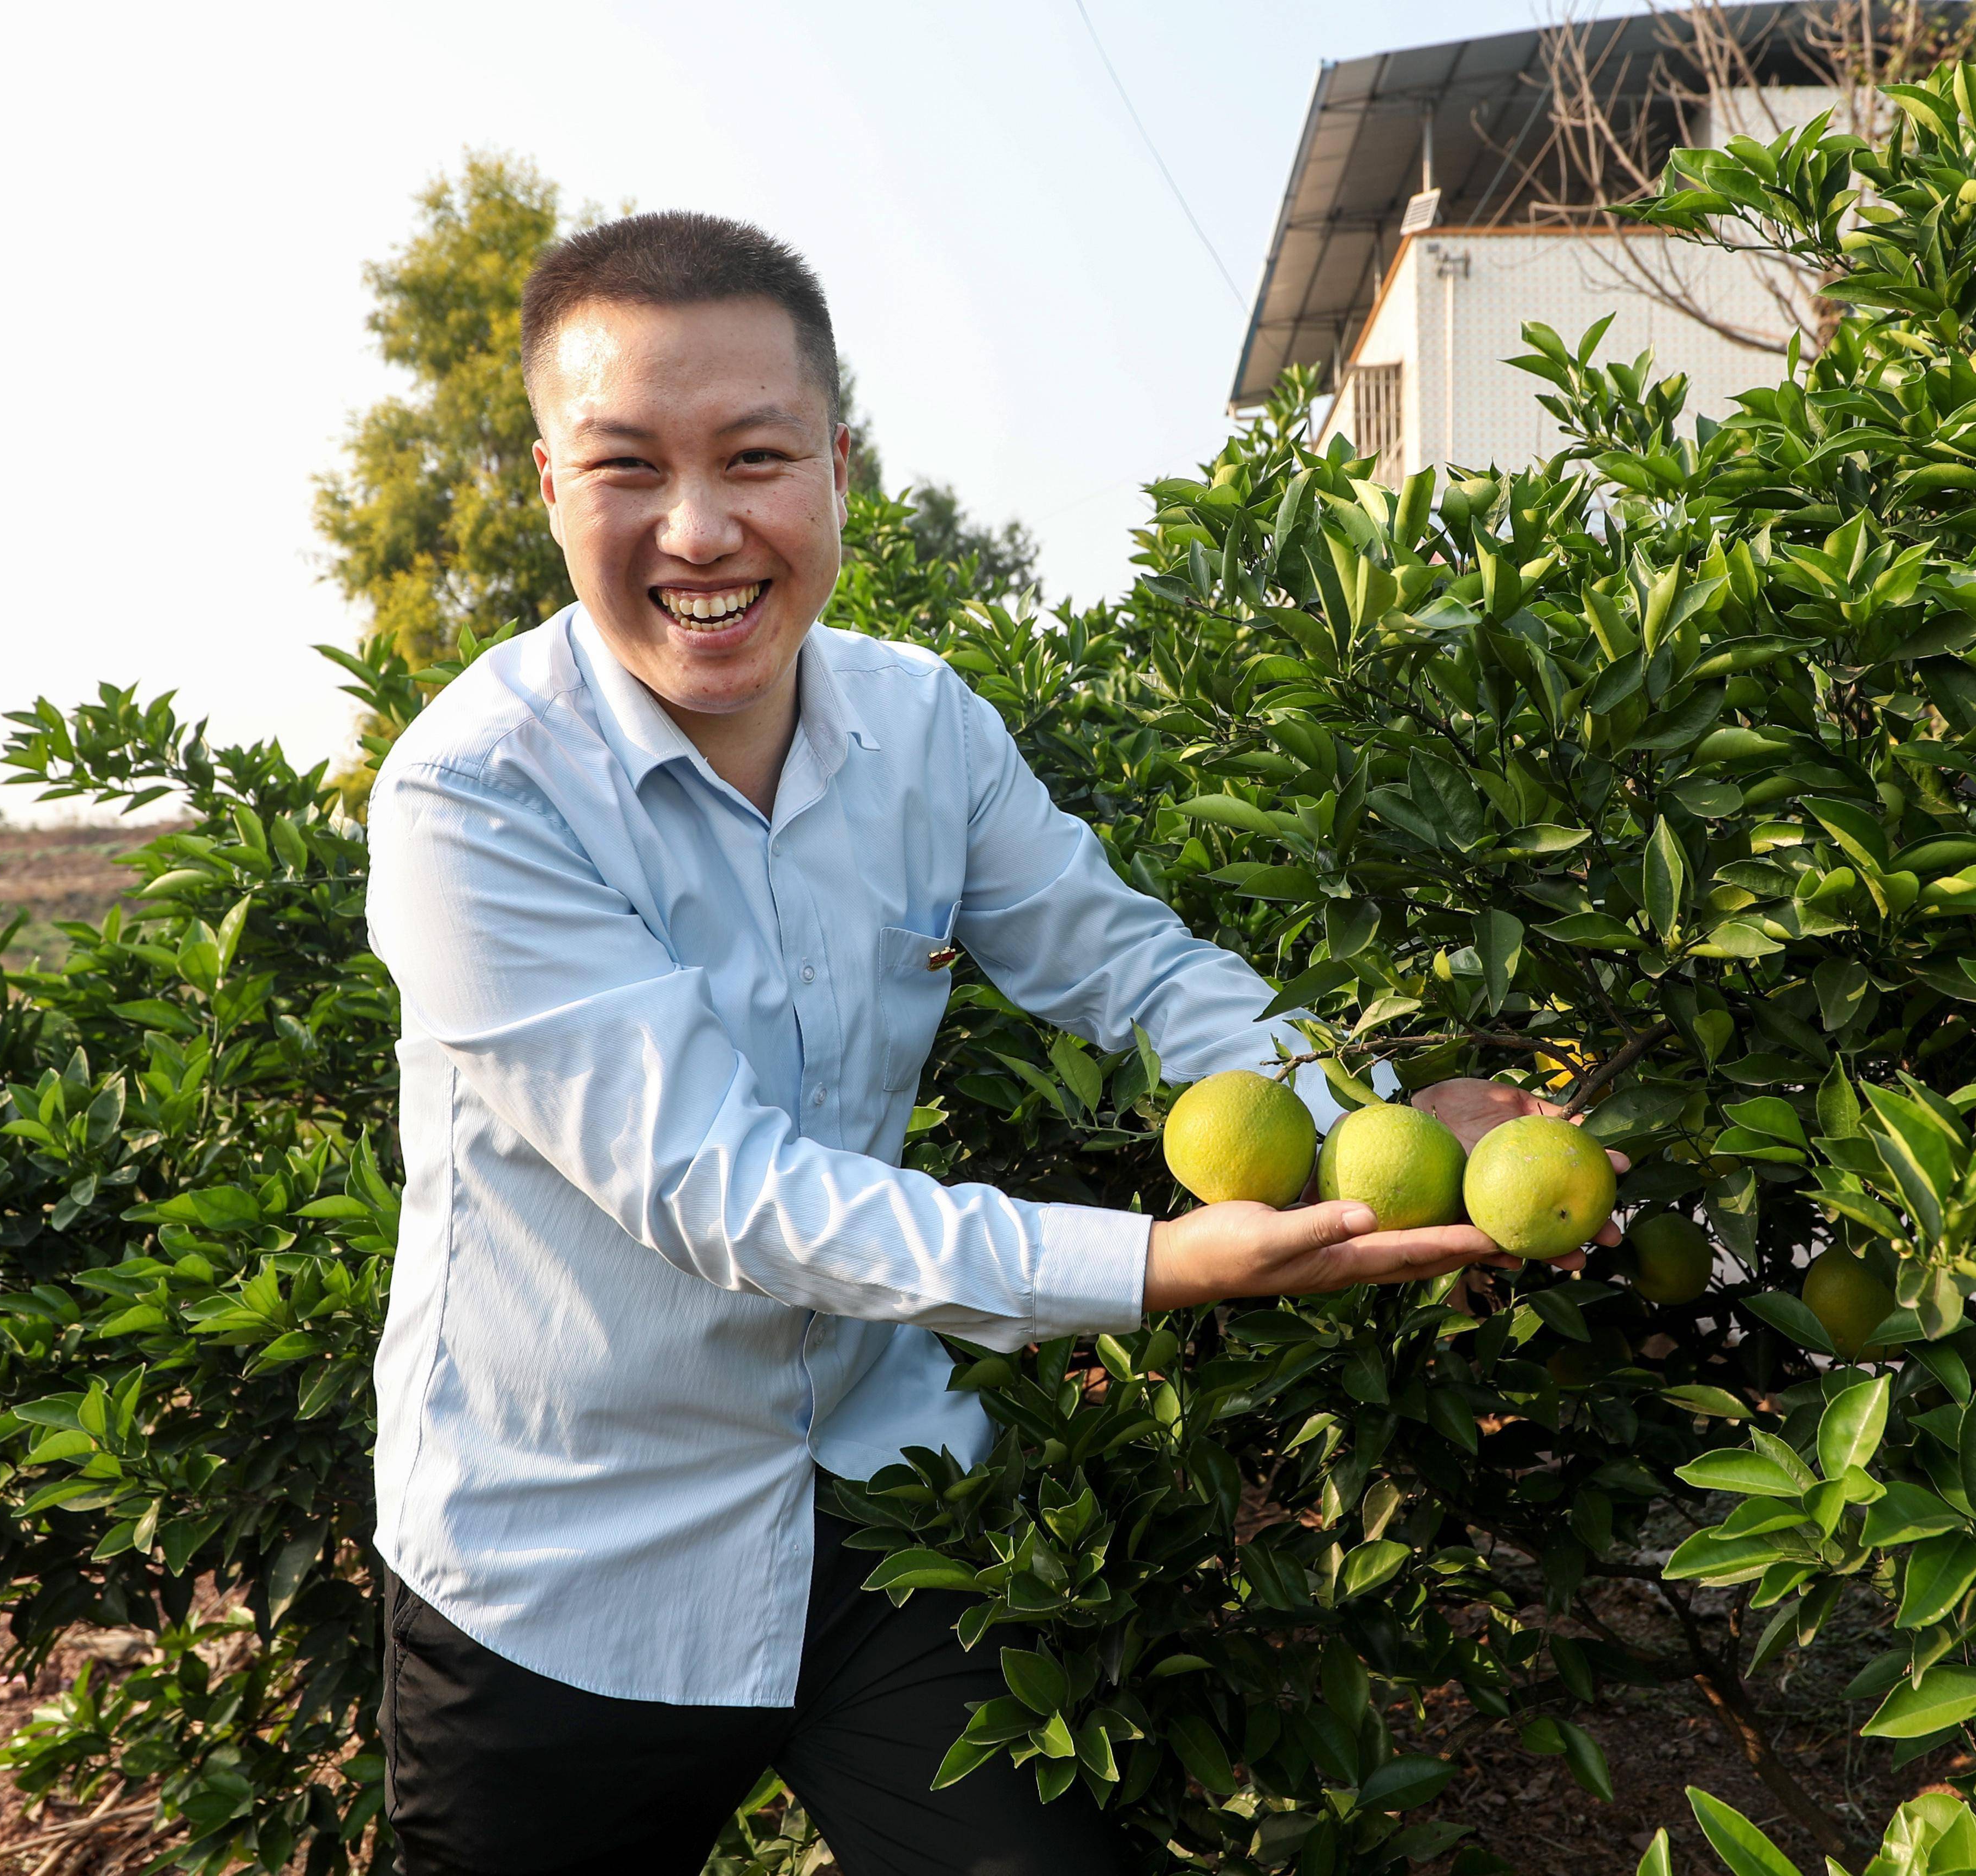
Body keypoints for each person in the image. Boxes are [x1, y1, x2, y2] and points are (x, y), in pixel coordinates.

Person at [363, 211, 1619, 1875]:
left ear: (837, 465)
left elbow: (1129, 967)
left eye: (754, 456)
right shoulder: (476, 799)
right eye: (624, 469)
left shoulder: (921, 726)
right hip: (561, 1565)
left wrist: (1366, 1117)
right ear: (547, 489)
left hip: (873, 1504)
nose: (697, 528)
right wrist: (1157, 1270)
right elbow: (725, 1197)